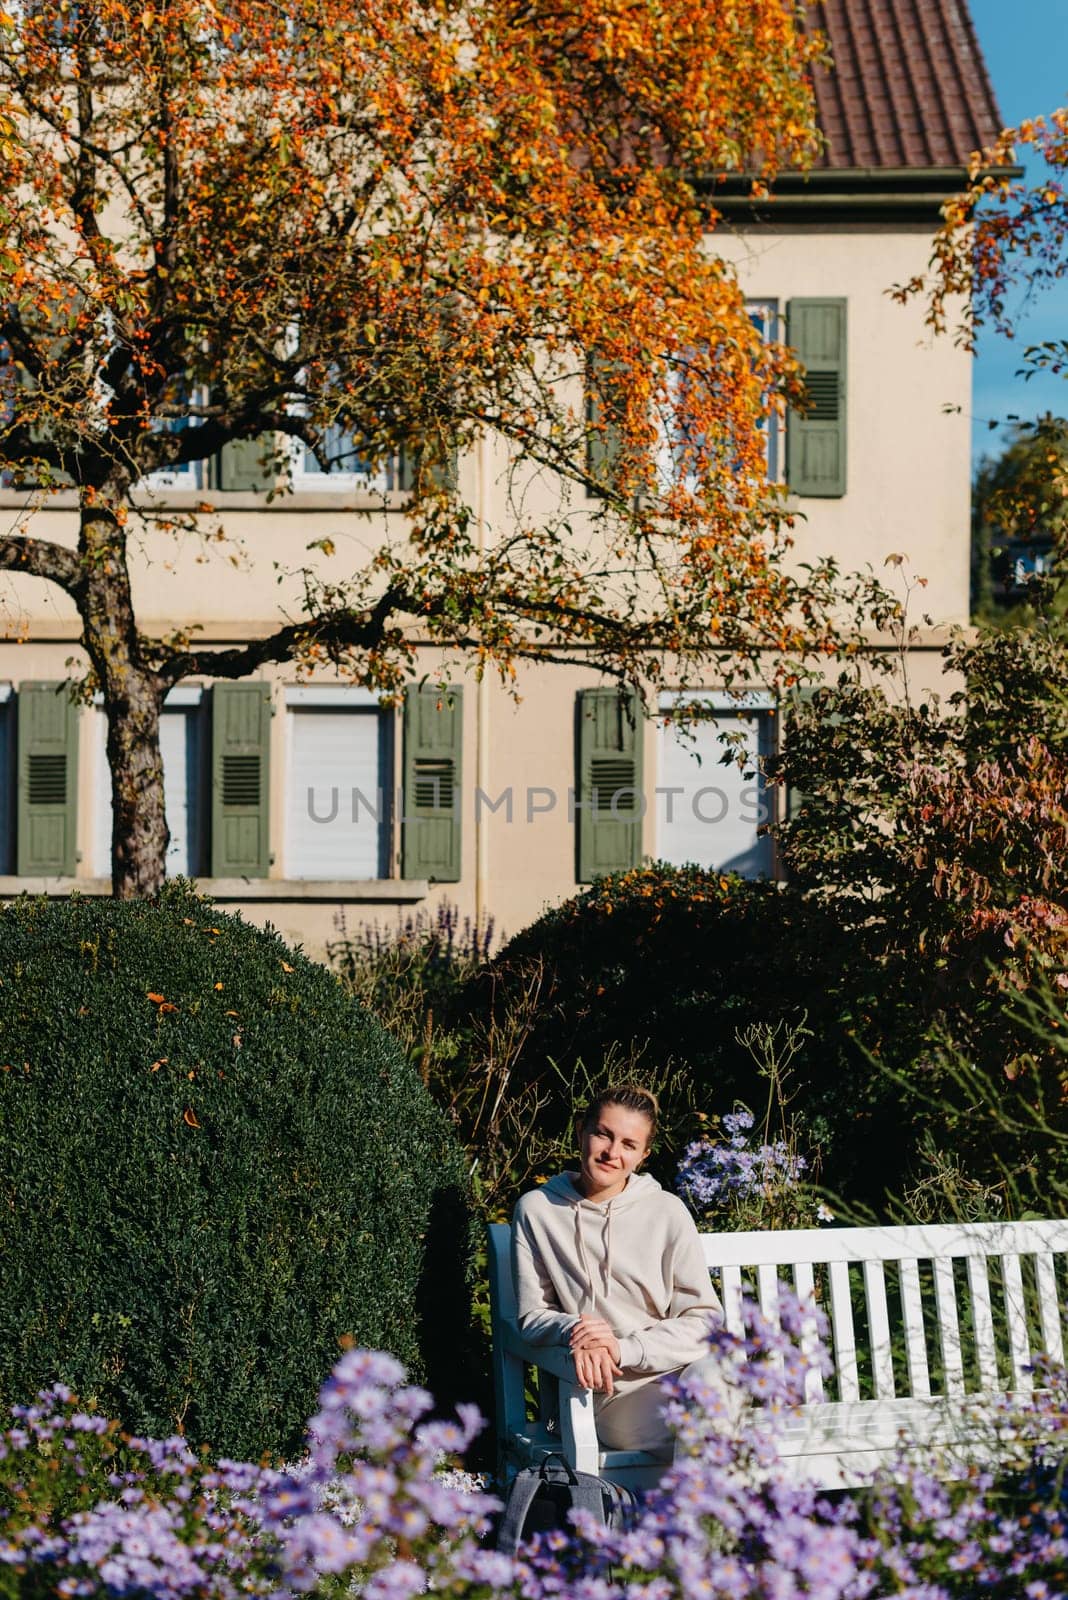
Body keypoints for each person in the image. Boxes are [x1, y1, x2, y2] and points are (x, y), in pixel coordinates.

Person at [511, 1082, 731, 1461]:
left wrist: (624, 1348)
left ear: (643, 1155)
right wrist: (577, 1329)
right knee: (716, 1430)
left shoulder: (667, 1212)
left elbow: (706, 1320)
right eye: (603, 1134)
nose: (612, 1153)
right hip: (608, 1395)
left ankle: (699, 1516)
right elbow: (532, 1317)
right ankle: (705, 1517)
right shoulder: (538, 1210)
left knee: (718, 1387)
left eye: (629, 1145)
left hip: (679, 1374)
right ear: (582, 1132)